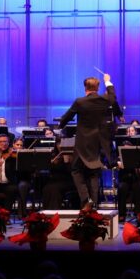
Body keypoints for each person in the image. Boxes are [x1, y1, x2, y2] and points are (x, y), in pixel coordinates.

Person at [58, 74, 117, 212]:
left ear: (85, 87)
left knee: (76, 170)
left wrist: (60, 125)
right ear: (98, 87)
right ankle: (94, 203)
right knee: (94, 172)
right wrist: (108, 82)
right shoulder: (105, 99)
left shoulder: (80, 101)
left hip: (82, 142)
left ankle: (86, 200)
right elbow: (113, 97)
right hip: (98, 142)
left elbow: (66, 117)